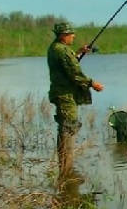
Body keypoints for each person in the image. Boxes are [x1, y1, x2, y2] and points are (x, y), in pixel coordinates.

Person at [47, 22, 104, 177]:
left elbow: (68, 65)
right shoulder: (62, 50)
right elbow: (75, 74)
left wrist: (78, 53)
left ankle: (65, 169)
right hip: (65, 96)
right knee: (68, 129)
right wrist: (93, 84)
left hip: (62, 94)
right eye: (70, 33)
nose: (73, 36)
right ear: (63, 35)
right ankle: (66, 170)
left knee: (67, 128)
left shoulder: (56, 48)